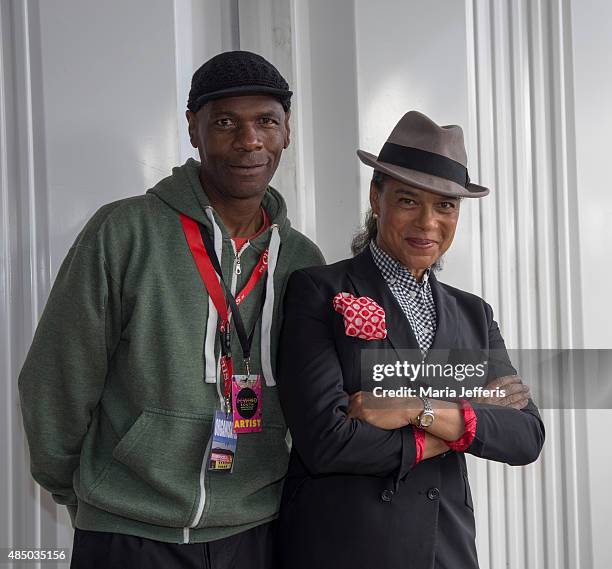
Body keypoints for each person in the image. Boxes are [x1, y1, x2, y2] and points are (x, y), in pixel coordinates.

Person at [18, 50, 324, 569]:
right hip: (127, 534)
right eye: (225, 122)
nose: (249, 141)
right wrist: (89, 495)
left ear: (287, 132)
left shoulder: (301, 260)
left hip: (254, 533)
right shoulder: (125, 233)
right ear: (193, 128)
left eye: (266, 122)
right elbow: (57, 379)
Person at [276, 111, 545, 569]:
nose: (428, 222)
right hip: (346, 549)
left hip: (445, 550)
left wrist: (410, 409)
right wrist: (467, 418)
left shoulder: (473, 313)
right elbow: (327, 441)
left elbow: (525, 436)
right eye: (408, 200)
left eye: (445, 206)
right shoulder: (319, 291)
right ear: (375, 198)